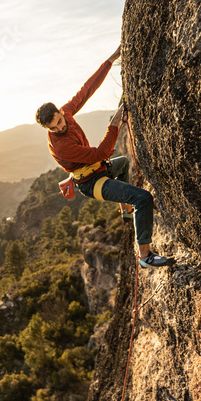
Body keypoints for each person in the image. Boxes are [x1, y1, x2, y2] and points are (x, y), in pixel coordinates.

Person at [35, 47, 171, 268]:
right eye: (55, 126)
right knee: (144, 198)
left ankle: (126, 209)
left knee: (124, 163)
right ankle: (145, 256)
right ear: (47, 128)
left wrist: (111, 59)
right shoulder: (61, 146)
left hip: (99, 168)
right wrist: (114, 123)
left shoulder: (67, 114)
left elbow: (87, 89)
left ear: (60, 112)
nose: (61, 127)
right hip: (91, 182)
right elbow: (101, 153)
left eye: (60, 120)